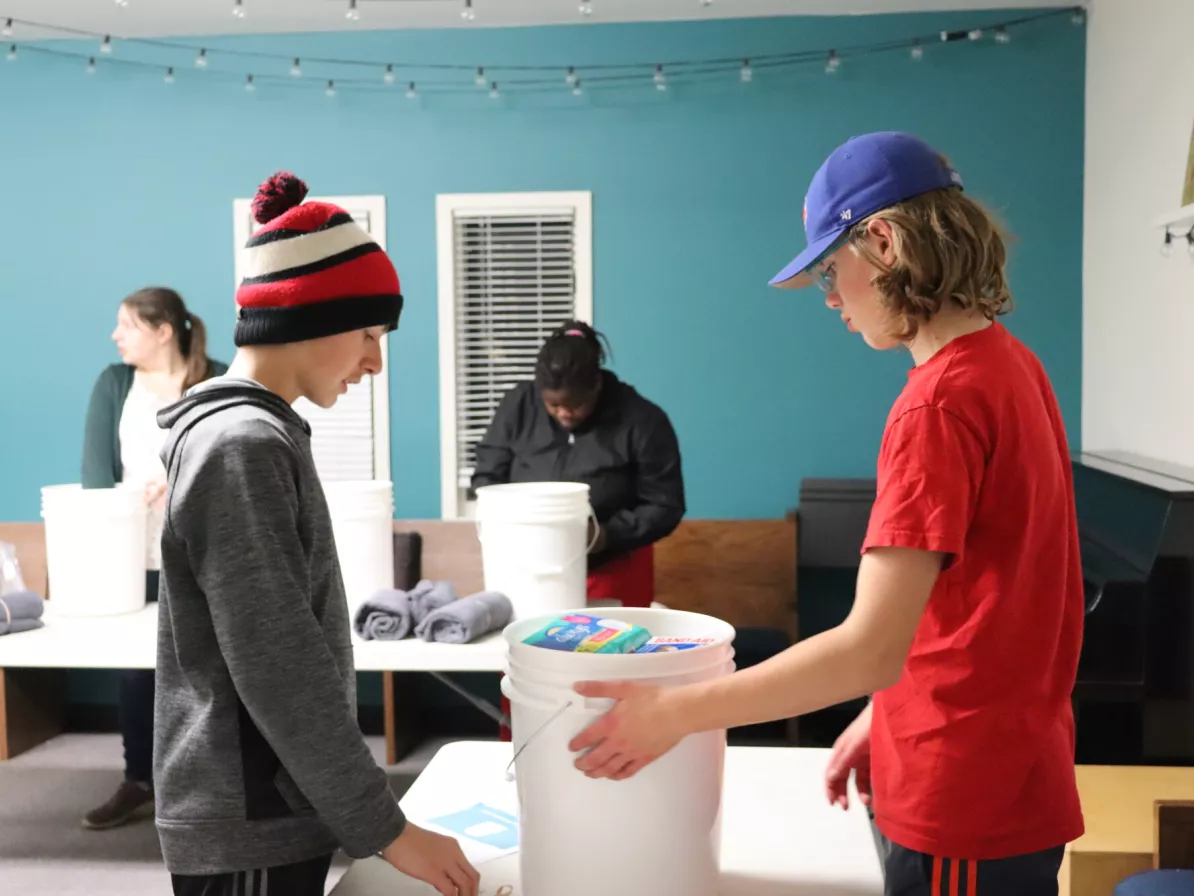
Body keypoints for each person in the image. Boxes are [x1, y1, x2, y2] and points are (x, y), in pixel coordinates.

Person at [567, 132, 1085, 895]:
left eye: (831, 274)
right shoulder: (1011, 365)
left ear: (882, 243)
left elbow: (868, 648)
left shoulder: (935, 406)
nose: (834, 301)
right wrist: (885, 717)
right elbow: (986, 604)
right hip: (1007, 764)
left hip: (963, 798)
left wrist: (673, 713)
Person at [153, 172, 478, 896]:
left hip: (272, 800)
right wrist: (387, 829)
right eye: (367, 334)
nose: (375, 362)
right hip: (250, 816)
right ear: (306, 316)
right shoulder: (241, 444)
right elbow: (278, 665)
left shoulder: (257, 433)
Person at [80, 287, 226, 830]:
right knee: (139, 671)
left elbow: (234, 455)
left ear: (163, 331)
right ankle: (139, 780)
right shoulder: (114, 383)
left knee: (214, 669)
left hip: (206, 548)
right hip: (134, 553)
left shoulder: (218, 376)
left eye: (127, 325)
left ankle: (214, 784)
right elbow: (96, 472)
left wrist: (181, 480)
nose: (116, 335)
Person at [471, 321, 685, 609]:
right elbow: (487, 477)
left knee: (609, 647)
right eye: (553, 404)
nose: (564, 413)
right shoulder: (518, 406)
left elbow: (665, 504)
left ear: (597, 384)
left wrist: (605, 535)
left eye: (575, 404)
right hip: (526, 569)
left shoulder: (642, 420)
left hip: (613, 568)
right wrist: (510, 526)